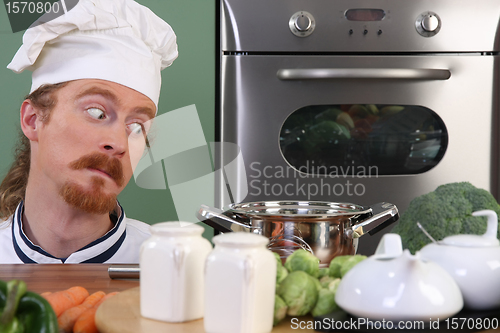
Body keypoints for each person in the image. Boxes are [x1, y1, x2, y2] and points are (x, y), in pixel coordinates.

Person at [0, 0, 178, 263]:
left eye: (137, 127)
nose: (120, 143)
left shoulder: (170, 267)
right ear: (33, 119)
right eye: (97, 112)